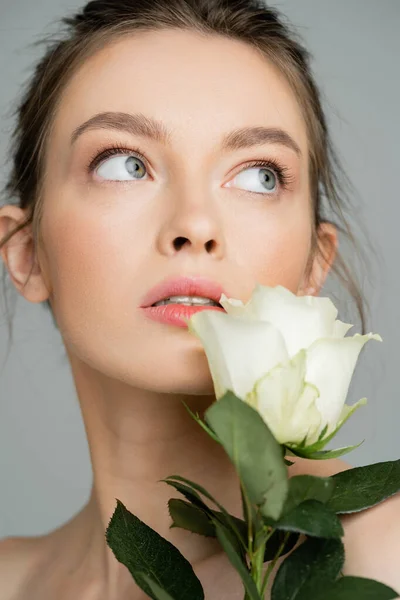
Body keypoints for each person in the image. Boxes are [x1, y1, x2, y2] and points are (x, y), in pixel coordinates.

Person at [0, 1, 398, 598]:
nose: (195, 224)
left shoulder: (387, 557)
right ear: (27, 253)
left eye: (259, 174)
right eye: (125, 163)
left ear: (316, 262)